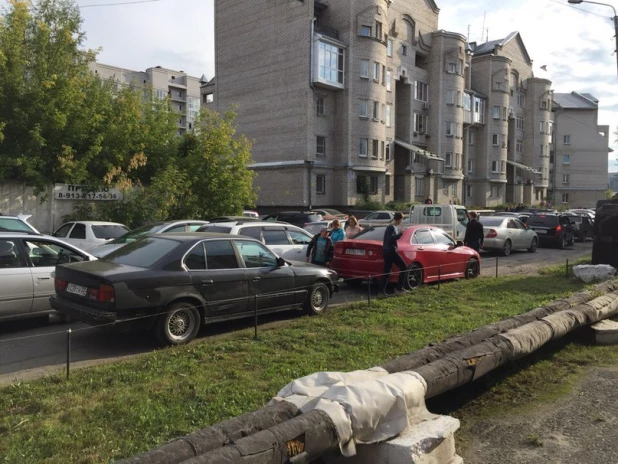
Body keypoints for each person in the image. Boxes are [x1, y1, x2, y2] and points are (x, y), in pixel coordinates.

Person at [380, 212, 408, 295]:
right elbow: (391, 240)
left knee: (387, 271)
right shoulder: (391, 227)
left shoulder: (391, 226)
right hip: (391, 251)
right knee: (404, 267)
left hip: (386, 251)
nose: (401, 222)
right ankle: (399, 288)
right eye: (401, 220)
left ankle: (382, 291)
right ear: (399, 219)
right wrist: (400, 234)